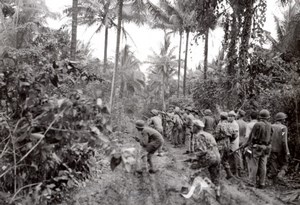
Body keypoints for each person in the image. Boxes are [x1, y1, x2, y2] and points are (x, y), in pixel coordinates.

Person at [190, 120, 221, 200]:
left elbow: (202, 150)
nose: (192, 128)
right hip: (217, 156)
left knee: (192, 170)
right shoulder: (208, 134)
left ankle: (188, 192)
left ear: (196, 127)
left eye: (192, 126)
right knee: (215, 177)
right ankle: (218, 195)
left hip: (209, 157)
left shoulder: (199, 135)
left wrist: (194, 157)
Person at [244, 109, 272, 188]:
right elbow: (271, 137)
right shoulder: (270, 125)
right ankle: (262, 183)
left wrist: (246, 145)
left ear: (260, 117)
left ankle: (252, 182)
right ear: (268, 117)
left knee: (254, 165)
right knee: (263, 165)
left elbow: (251, 137)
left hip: (257, 147)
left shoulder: (257, 124)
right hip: (266, 148)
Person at [268, 112, 290, 183]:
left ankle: (274, 179)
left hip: (271, 148)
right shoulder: (283, 128)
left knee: (273, 163)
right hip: (280, 149)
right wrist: (287, 151)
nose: (285, 120)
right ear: (282, 119)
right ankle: (280, 176)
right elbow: (284, 140)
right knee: (285, 163)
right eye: (284, 119)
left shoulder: (271, 126)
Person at [215, 112, 233, 179]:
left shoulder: (220, 125)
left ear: (221, 117)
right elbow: (234, 134)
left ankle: (217, 175)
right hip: (228, 143)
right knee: (225, 159)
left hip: (221, 142)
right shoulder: (230, 125)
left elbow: (216, 135)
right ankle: (229, 173)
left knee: (218, 159)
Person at [227, 111, 242, 177]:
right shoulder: (230, 123)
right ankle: (233, 171)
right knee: (231, 158)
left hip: (234, 142)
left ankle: (237, 172)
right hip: (231, 143)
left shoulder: (234, 124)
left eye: (231, 116)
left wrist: (229, 140)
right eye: (229, 116)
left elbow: (234, 135)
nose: (229, 118)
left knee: (235, 157)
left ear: (234, 117)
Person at [244, 110, 258, 176]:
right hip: (258, 145)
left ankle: (251, 176)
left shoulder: (249, 125)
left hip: (250, 146)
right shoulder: (259, 124)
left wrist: (246, 147)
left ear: (250, 117)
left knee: (249, 161)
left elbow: (247, 137)